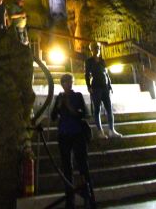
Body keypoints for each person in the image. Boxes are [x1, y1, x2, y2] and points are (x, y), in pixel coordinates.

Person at [51, 73, 96, 209]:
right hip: (64, 134)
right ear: (62, 84)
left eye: (70, 82)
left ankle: (89, 198)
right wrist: (59, 106)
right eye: (65, 82)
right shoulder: (59, 97)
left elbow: (85, 114)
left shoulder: (77, 96)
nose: (68, 84)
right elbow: (53, 116)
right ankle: (70, 201)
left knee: (83, 166)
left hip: (77, 133)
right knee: (67, 167)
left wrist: (71, 108)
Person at [85, 42, 120, 138]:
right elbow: (87, 75)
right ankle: (100, 131)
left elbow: (106, 74)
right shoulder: (89, 61)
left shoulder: (102, 61)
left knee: (109, 108)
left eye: (98, 48)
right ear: (91, 50)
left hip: (105, 87)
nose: (97, 50)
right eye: (95, 48)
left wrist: (110, 86)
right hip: (96, 87)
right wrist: (89, 86)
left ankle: (111, 130)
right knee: (97, 109)